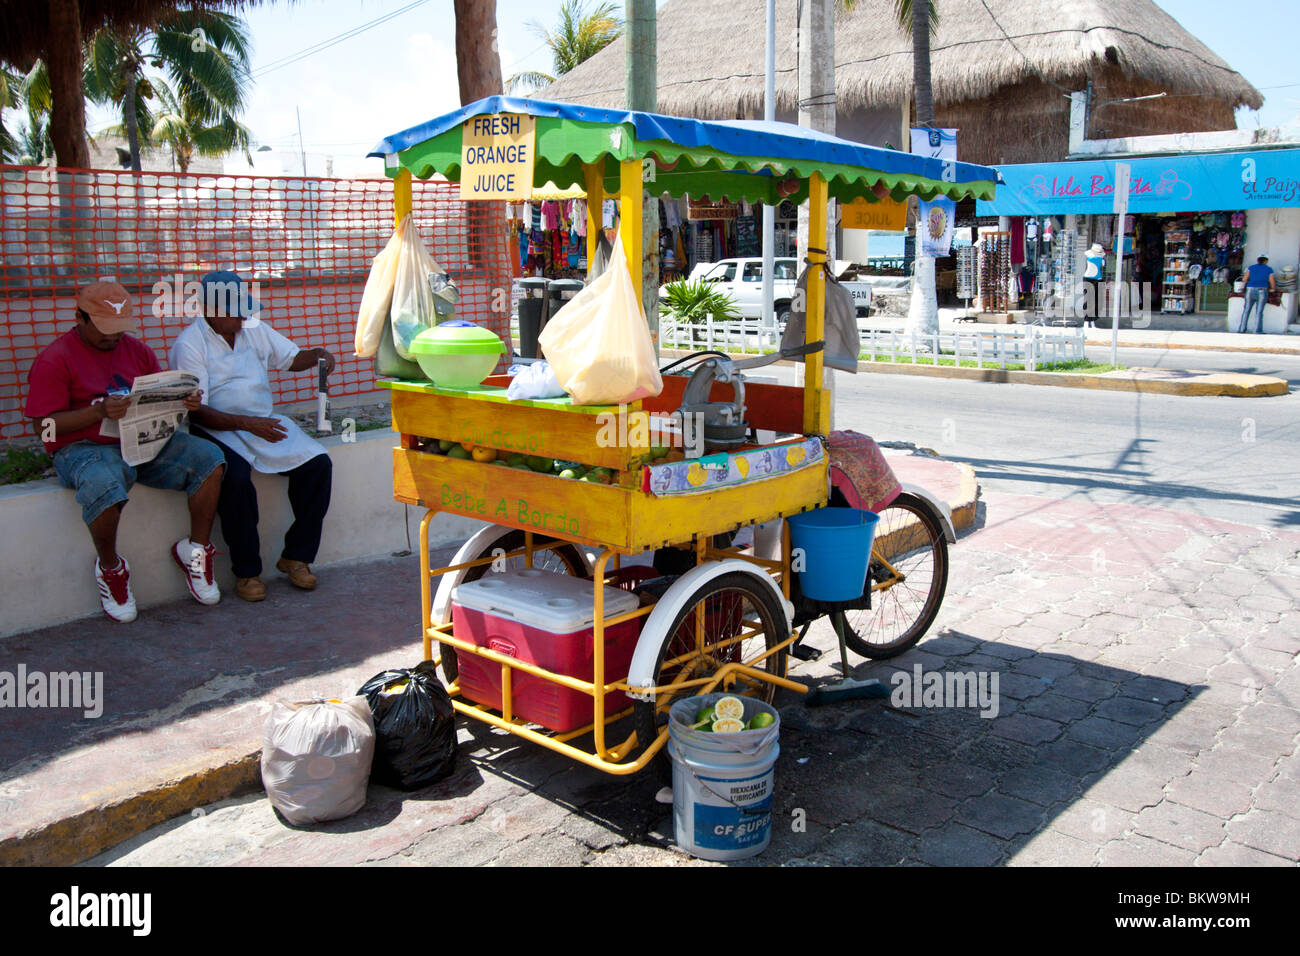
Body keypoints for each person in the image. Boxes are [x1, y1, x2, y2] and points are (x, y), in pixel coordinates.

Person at [25, 282, 226, 622]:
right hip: (83, 448)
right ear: (79, 318)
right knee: (102, 482)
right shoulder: (55, 359)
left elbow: (157, 400)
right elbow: (42, 428)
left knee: (210, 458)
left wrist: (184, 401)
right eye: (104, 329)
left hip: (143, 441)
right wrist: (97, 412)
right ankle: (110, 568)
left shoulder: (137, 351)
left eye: (119, 329)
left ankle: (195, 551)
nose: (113, 337)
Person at [169, 271, 335, 602]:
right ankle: (247, 572)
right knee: (236, 480)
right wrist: (247, 424)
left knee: (318, 464)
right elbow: (196, 410)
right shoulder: (190, 344)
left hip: (260, 420)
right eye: (235, 311)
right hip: (215, 427)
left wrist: (318, 353)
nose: (244, 316)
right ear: (211, 310)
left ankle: (296, 557)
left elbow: (291, 358)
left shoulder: (253, 330)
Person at [1240, 255, 1275, 334]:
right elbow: (1272, 280)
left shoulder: (1251, 268)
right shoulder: (1269, 269)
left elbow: (1244, 279)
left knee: (1246, 310)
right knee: (1259, 311)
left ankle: (1242, 329)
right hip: (1262, 290)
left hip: (1250, 290)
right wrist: (1273, 288)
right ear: (1265, 261)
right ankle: (1257, 330)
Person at [1082, 242, 1105, 328]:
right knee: (1088, 300)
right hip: (1089, 278)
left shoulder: (1101, 257)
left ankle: (1092, 321)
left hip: (1098, 279)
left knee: (1096, 301)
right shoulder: (1089, 255)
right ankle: (1087, 321)